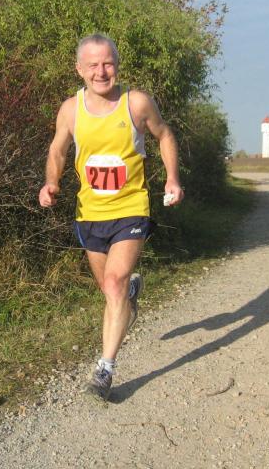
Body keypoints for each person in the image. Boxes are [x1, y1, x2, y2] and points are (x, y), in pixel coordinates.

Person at [39, 33, 184, 400]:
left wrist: (172, 178)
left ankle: (105, 369)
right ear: (79, 69)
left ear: (117, 65)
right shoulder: (71, 110)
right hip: (90, 213)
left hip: (131, 209)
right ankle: (130, 293)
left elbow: (165, 135)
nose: (101, 72)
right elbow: (57, 150)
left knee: (114, 282)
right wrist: (51, 183)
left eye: (108, 63)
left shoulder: (136, 103)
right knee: (108, 287)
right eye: (93, 65)